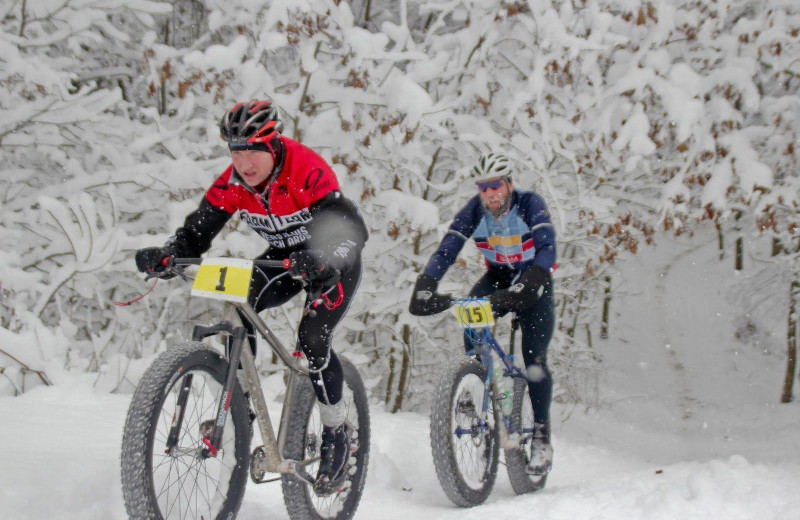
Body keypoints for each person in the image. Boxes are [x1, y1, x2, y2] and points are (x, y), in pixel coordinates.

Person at [135, 99, 368, 492]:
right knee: (239, 306)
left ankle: (336, 434)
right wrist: (170, 253)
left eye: (253, 150)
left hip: (331, 259)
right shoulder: (233, 182)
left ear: (273, 144)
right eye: (236, 151)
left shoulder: (306, 169)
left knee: (312, 340)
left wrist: (327, 261)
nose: (245, 162)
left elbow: (352, 230)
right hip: (284, 261)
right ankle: (238, 403)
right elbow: (198, 230)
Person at [408, 151, 556, 475]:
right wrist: (427, 282)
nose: (489, 194)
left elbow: (547, 246)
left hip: (535, 281)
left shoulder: (529, 204)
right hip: (499, 278)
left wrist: (533, 280)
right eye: (483, 187)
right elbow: (448, 248)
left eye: (495, 185)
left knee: (534, 359)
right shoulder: (475, 211)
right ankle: (475, 396)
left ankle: (542, 435)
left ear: (508, 184)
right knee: (471, 317)